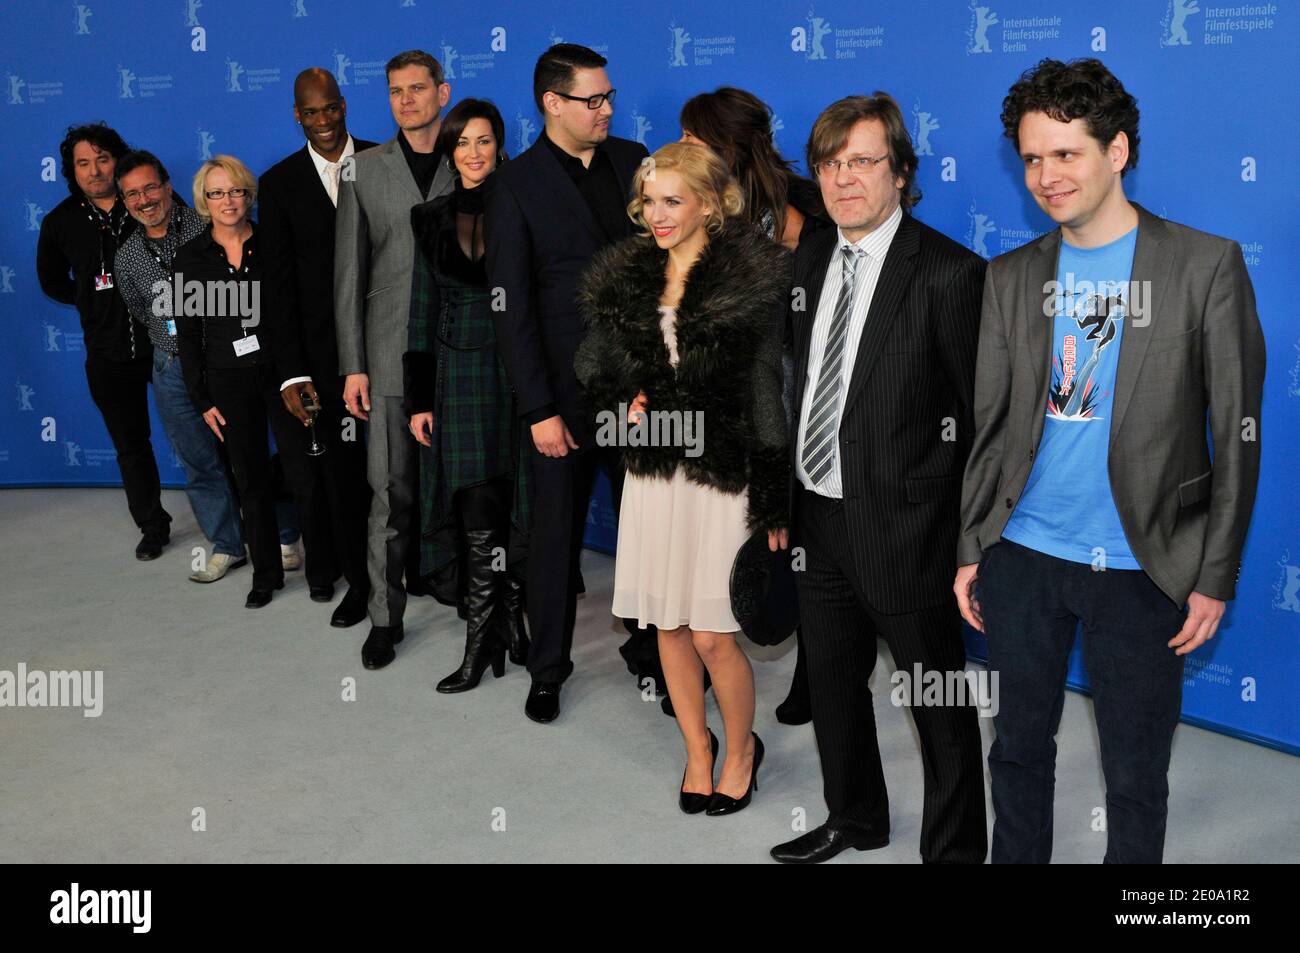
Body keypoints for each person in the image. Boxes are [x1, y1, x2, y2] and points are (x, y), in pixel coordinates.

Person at [954, 58, 1266, 864]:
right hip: (1022, 556)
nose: (1046, 177)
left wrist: (1216, 573)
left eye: (1067, 154)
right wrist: (971, 544)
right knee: (1016, 750)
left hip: (1144, 564)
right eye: (1031, 157)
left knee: (1134, 774)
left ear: (1117, 151)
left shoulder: (1204, 267)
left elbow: (1238, 434)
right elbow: (989, 426)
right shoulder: (1011, 277)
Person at [769, 94, 988, 864]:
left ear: (900, 170)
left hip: (910, 532)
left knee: (940, 707)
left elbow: (980, 423)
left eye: (862, 161)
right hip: (819, 518)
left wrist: (967, 543)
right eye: (830, 164)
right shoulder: (813, 252)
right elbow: (801, 385)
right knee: (832, 684)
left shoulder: (952, 273)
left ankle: (955, 853)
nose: (843, 179)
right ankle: (854, 816)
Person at [575, 141, 791, 815]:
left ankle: (740, 749)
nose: (658, 215)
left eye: (673, 200)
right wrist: (623, 393)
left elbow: (766, 389)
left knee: (711, 633)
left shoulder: (748, 279)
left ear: (709, 202)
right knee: (668, 627)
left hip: (721, 480)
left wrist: (774, 495)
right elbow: (589, 364)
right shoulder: (629, 277)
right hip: (656, 478)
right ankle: (697, 749)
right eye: (649, 202)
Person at [484, 43, 653, 724]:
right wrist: (539, 408)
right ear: (553, 103)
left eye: (609, 96)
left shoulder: (632, 160)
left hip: (638, 392)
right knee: (554, 538)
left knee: (645, 533)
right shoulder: (515, 184)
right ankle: (548, 667)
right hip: (561, 397)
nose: (607, 109)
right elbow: (512, 305)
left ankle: (652, 655)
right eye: (594, 100)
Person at [679, 86, 830, 725]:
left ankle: (815, 670)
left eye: (694, 138)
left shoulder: (796, 212)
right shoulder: (699, 203)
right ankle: (713, 651)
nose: (682, 146)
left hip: (788, 379)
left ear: (727, 144)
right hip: (723, 387)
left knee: (795, 524)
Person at [404, 98, 532, 693]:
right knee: (476, 503)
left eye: (484, 141)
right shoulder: (428, 217)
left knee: (515, 500)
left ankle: (509, 623)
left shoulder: (525, 204)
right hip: (458, 373)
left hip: (519, 367)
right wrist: (418, 399)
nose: (473, 153)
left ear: (499, 144)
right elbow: (421, 311)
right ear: (449, 150)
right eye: (462, 143)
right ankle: (482, 641)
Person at [335, 50, 455, 668]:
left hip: (462, 352)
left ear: (442, 91)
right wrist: (353, 364)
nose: (406, 100)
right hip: (384, 355)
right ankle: (385, 617)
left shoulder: (473, 157)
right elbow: (348, 274)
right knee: (390, 492)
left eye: (417, 89)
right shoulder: (362, 170)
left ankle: (475, 601)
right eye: (394, 92)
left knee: (469, 486)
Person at [173, 155, 330, 608]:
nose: (228, 201)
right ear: (204, 199)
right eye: (217, 192)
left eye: (236, 191)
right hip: (227, 382)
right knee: (252, 482)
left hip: (282, 376)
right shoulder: (192, 258)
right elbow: (187, 334)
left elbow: (297, 314)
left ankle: (321, 571)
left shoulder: (273, 244)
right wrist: (201, 398)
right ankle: (266, 576)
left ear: (249, 196)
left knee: (304, 475)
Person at [259, 67, 379, 627]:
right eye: (312, 112)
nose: (325, 121)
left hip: (388, 348)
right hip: (324, 362)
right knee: (344, 478)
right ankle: (360, 581)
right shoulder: (279, 183)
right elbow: (277, 287)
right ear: (297, 116)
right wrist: (290, 373)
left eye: (332, 108)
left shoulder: (385, 160)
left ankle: (417, 568)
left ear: (344, 105)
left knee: (403, 469)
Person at [36, 123, 172, 559]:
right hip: (108, 356)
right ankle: (153, 526)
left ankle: (238, 521)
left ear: (118, 159)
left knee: (205, 434)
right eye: (83, 163)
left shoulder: (152, 203)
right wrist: (90, 302)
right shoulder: (60, 222)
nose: (94, 171)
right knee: (131, 446)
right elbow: (52, 281)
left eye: (102, 159)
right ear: (71, 171)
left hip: (167, 347)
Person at [112, 150, 247, 583]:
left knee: (250, 452)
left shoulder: (207, 226)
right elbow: (140, 310)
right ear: (124, 201)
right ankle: (228, 545)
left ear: (168, 187)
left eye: (150, 187)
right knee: (199, 462)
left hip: (224, 360)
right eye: (132, 194)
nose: (144, 199)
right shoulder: (126, 257)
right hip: (170, 369)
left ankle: (283, 538)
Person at [679, 86, 828, 251]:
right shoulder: (698, 198)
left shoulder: (779, 216)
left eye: (689, 135)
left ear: (726, 144)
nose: (680, 144)